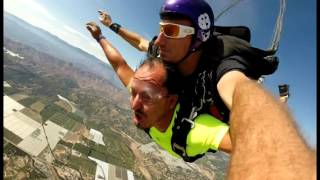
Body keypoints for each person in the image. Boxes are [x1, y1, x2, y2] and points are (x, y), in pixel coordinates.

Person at [97, 0, 278, 158]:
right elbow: (138, 45)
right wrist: (110, 26)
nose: (159, 41)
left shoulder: (222, 73)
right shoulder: (161, 64)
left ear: (197, 38)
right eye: (161, 30)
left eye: (171, 31)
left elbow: (236, 88)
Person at [85, 22, 232, 163]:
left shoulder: (196, 130)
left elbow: (251, 147)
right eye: (134, 92)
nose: (134, 105)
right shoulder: (144, 87)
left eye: (147, 98)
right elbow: (119, 65)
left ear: (171, 102)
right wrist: (99, 37)